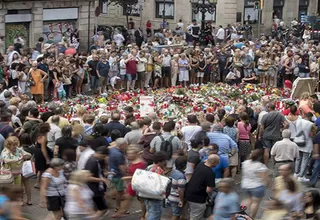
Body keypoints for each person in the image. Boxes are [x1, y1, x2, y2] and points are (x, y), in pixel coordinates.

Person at [111, 146, 146, 218]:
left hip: (138, 183)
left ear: (136, 154)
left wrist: (127, 178)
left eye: (131, 154)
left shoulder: (141, 164)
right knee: (130, 198)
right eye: (128, 154)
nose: (129, 156)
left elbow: (141, 176)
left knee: (139, 199)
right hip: (132, 183)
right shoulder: (133, 161)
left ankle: (143, 215)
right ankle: (121, 212)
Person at [185, 154, 220, 220]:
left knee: (192, 213)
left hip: (189, 194)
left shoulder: (200, 165)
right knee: (195, 217)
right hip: (198, 199)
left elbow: (206, 160)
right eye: (217, 162)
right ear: (213, 162)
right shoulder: (210, 173)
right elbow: (208, 190)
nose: (218, 163)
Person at [241, 149, 269, 219]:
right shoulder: (260, 166)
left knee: (248, 199)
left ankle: (240, 212)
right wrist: (267, 184)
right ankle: (252, 217)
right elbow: (264, 179)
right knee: (255, 202)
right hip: (257, 186)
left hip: (245, 185)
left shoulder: (245, 163)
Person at [141, 151, 168, 220]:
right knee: (155, 214)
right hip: (155, 197)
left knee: (150, 212)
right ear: (159, 161)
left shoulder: (149, 167)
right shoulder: (158, 170)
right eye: (164, 161)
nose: (166, 162)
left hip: (147, 195)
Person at [84, 146, 109, 217]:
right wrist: (102, 179)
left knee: (98, 208)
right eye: (103, 156)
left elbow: (97, 173)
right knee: (103, 208)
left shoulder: (94, 160)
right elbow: (88, 177)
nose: (104, 158)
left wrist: (105, 174)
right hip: (94, 189)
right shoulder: (92, 162)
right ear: (99, 153)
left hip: (95, 188)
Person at [108, 138, 128, 212]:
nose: (127, 146)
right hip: (118, 174)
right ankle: (118, 207)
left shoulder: (112, 149)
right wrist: (125, 176)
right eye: (125, 145)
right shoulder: (118, 154)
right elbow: (121, 167)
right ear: (121, 145)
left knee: (116, 189)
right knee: (119, 191)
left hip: (112, 172)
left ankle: (107, 198)